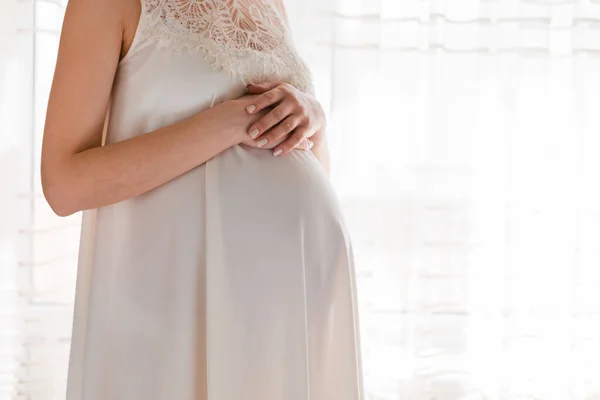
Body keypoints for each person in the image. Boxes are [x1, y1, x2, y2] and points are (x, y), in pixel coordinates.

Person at [41, 0, 363, 399]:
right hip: (175, 308)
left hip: (290, 308)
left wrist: (313, 122)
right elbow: (64, 184)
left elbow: (306, 168)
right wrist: (228, 121)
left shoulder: (271, 5)